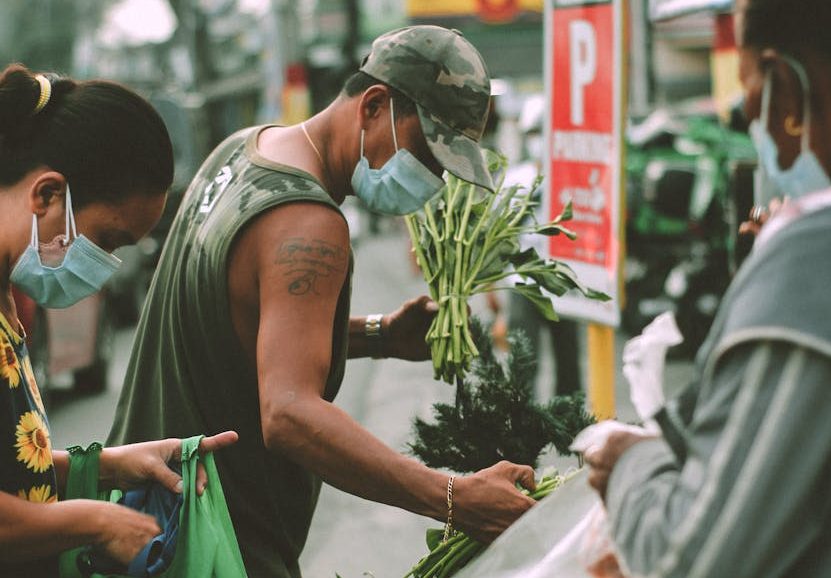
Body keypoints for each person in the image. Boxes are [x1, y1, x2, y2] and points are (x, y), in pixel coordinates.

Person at [108, 26, 537, 578]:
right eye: (428, 155)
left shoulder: (240, 152)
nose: (432, 181)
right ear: (374, 106)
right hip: (214, 546)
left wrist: (376, 335)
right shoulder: (309, 222)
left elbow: (238, 328)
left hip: (141, 522)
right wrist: (454, 497)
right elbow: (288, 413)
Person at [584, 0, 831, 576]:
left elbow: (689, 559)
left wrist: (631, 462)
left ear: (786, 91)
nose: (753, 122)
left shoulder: (821, 264)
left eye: (749, 99)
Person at [0, 64, 238, 577]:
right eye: (107, 241)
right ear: (46, 196)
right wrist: (97, 522)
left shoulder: (8, 301)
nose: (106, 268)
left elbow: (11, 471)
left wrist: (108, 464)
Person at [488, 94, 582, 396]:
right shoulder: (515, 179)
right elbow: (498, 238)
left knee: (569, 368)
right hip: (522, 284)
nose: (539, 140)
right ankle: (523, 432)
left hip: (563, 283)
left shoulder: (573, 179)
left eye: (544, 132)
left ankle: (569, 429)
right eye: (533, 132)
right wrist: (492, 286)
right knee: (523, 366)